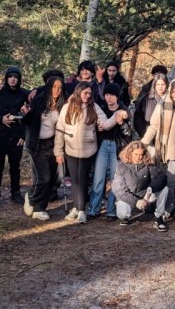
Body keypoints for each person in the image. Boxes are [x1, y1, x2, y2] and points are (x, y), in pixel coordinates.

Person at [55, 82, 128, 224]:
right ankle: (76, 207)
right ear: (78, 92)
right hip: (70, 149)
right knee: (75, 180)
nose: (88, 96)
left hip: (88, 150)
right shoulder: (67, 107)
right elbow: (60, 130)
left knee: (82, 180)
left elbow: (106, 124)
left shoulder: (94, 107)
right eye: (85, 93)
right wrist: (58, 152)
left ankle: (82, 210)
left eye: (90, 93)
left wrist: (117, 115)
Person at [140, 78, 175, 226]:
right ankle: (167, 209)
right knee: (169, 182)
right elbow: (153, 126)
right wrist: (143, 143)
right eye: (173, 91)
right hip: (166, 150)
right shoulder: (162, 105)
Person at [0, 67, 30, 209]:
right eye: (10, 76)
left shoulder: (24, 94)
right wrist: (0, 119)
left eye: (16, 77)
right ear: (6, 78)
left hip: (17, 137)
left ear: (19, 79)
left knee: (15, 167)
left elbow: (30, 115)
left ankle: (16, 193)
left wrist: (23, 135)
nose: (13, 79)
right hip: (0, 137)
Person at [86, 82, 134, 220]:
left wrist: (121, 123)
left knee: (115, 178)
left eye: (112, 95)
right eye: (107, 95)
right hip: (102, 145)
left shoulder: (124, 110)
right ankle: (93, 208)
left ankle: (111, 210)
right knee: (98, 177)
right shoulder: (101, 109)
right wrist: (98, 128)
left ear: (117, 96)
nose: (109, 98)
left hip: (117, 146)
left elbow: (129, 133)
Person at [23, 72, 67, 219]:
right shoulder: (39, 101)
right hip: (37, 144)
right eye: (54, 87)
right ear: (49, 87)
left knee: (53, 179)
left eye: (60, 87)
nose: (57, 90)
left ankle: (39, 209)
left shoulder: (62, 105)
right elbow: (27, 121)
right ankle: (31, 198)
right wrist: (26, 114)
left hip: (52, 144)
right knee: (44, 178)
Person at [111, 141, 170, 230]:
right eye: (135, 154)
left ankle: (159, 217)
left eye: (141, 155)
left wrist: (151, 189)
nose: (138, 157)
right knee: (122, 214)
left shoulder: (148, 164)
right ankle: (127, 217)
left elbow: (161, 177)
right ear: (130, 152)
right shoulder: (121, 167)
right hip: (128, 197)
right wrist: (136, 202)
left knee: (164, 189)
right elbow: (119, 190)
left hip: (145, 196)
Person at [133, 72, 168, 139]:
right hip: (149, 136)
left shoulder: (170, 100)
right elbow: (138, 118)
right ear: (154, 85)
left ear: (166, 85)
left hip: (165, 136)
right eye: (158, 84)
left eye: (163, 84)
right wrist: (143, 134)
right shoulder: (146, 100)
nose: (160, 87)